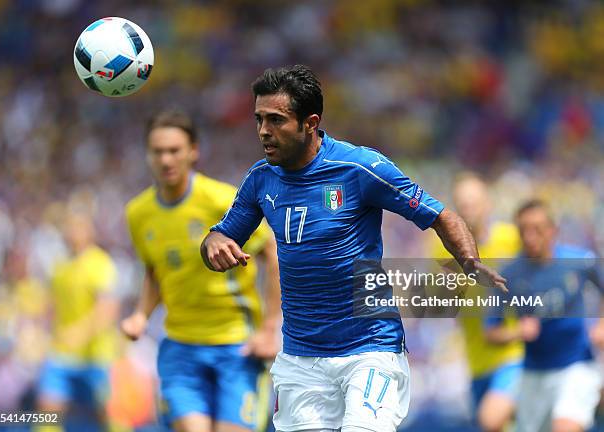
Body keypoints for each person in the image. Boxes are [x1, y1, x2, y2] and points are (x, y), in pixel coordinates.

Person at [201, 64, 507, 432]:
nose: (264, 131)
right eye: (259, 119)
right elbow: (221, 236)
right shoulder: (260, 179)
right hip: (301, 359)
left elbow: (439, 215)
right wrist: (214, 245)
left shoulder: (359, 167)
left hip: (370, 348)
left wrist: (470, 263)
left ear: (310, 123)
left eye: (276, 120)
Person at [121, 109, 281, 432]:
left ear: (193, 151)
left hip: (236, 345)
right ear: (147, 154)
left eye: (174, 150)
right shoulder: (138, 213)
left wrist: (270, 327)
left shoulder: (222, 200)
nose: (166, 160)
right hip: (180, 347)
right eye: (158, 151)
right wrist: (141, 313)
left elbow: (272, 251)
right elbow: (156, 270)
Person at [486, 199, 604, 432]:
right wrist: (517, 332)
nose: (530, 237)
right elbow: (491, 332)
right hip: (533, 372)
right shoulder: (507, 275)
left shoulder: (579, 261)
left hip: (576, 365)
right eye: (523, 230)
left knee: (564, 427)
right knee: (491, 420)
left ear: (552, 230)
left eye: (537, 229)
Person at [430, 172, 523, 431]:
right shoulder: (441, 248)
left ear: (488, 204)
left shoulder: (513, 239)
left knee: (491, 418)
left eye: (473, 202)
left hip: (514, 352)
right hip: (476, 359)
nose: (468, 210)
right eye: (462, 204)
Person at [37, 211, 120, 431]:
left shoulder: (99, 263)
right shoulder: (59, 267)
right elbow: (52, 306)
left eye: (78, 227)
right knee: (48, 411)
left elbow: (108, 309)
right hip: (62, 352)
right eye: (69, 227)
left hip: (95, 355)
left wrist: (79, 333)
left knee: (107, 414)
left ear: (89, 232)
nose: (71, 232)